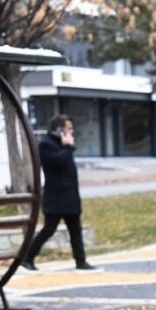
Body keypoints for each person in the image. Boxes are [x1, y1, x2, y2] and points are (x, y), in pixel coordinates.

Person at [21, 115, 95, 271]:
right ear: (58, 129)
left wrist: (67, 147)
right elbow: (58, 162)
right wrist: (67, 147)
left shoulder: (63, 144)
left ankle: (81, 261)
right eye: (68, 129)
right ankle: (27, 258)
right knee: (49, 229)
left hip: (70, 196)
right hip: (56, 196)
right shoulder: (46, 145)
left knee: (76, 229)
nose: (71, 132)